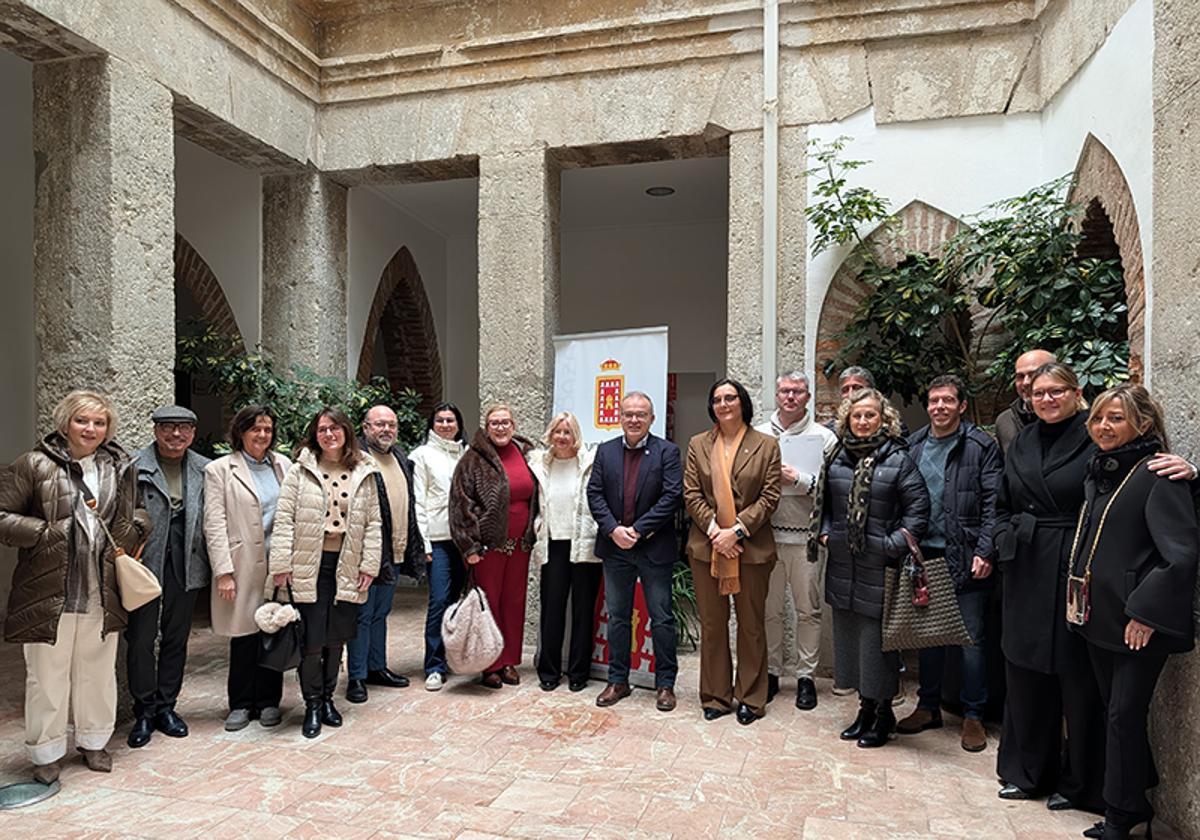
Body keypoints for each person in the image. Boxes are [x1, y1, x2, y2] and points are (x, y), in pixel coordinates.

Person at [1070, 385, 1198, 840]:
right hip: (1100, 617)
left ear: (1142, 424)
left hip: (1137, 622)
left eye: (1116, 419)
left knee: (1124, 715)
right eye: (1099, 418)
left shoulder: (1158, 473)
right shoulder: (1103, 470)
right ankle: (1134, 799)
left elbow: (1179, 554)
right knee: (1116, 713)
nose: (1105, 427)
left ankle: (1123, 818)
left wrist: (1145, 612)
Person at [0, 390, 146, 783]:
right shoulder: (34, 464)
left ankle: (94, 742)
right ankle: (45, 752)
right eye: (83, 420)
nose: (91, 429)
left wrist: (137, 527)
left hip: (102, 588)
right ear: (65, 422)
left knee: (97, 672)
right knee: (46, 676)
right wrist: (45, 532)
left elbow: (132, 513)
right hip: (50, 590)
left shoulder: (118, 467)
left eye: (99, 423)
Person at [993, 362, 1107, 810]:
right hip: (1025, 564)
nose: (1046, 399)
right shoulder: (1020, 440)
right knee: (1023, 670)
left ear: (1076, 393)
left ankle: (1081, 782)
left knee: (1077, 678)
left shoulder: (1094, 435)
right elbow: (1001, 500)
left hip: (1075, 566)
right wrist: (1003, 537)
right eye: (1038, 393)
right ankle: (1027, 772)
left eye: (1056, 391)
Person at [896, 375, 1001, 752]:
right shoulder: (914, 445)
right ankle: (928, 706)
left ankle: (973, 715)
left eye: (947, 400)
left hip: (967, 552)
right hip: (924, 555)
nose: (940, 407)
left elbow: (993, 503)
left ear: (961, 405)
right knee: (928, 635)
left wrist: (986, 550)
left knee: (971, 638)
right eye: (933, 400)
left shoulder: (979, 445)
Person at [819, 387, 929, 748]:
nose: (863, 422)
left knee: (877, 645)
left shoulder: (899, 459)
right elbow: (825, 506)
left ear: (885, 420)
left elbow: (919, 512)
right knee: (851, 640)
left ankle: (884, 714)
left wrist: (889, 545)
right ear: (847, 419)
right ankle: (864, 709)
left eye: (871, 415)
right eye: (857, 415)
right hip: (842, 564)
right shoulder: (836, 456)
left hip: (881, 568)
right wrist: (824, 534)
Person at [270, 407, 381, 738]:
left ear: (346, 432)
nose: (329, 434)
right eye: (322, 430)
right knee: (311, 640)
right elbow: (284, 517)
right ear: (314, 435)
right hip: (309, 564)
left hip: (346, 565)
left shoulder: (364, 469)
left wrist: (369, 564)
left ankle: (329, 698)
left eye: (335, 428)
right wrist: (281, 565)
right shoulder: (300, 470)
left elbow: (374, 522)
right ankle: (312, 705)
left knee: (337, 639)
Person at [683, 379, 782, 725]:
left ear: (742, 403)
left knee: (751, 625)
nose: (724, 404)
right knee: (712, 624)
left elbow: (770, 498)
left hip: (750, 547)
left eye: (730, 398)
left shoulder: (766, 445)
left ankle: (751, 698)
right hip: (706, 547)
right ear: (712, 406)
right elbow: (691, 492)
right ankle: (715, 695)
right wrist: (716, 533)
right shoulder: (698, 444)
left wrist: (736, 530)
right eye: (718, 399)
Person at [586, 392, 682, 712]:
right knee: (617, 618)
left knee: (662, 618)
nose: (634, 419)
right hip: (616, 549)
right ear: (620, 417)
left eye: (641, 414)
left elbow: (672, 497)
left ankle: (665, 684)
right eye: (628, 413)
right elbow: (595, 493)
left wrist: (638, 530)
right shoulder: (606, 451)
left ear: (652, 419)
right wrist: (614, 529)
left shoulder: (667, 451)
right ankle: (618, 680)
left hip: (653, 547)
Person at [126, 405, 210, 749]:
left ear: (192, 432)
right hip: (146, 562)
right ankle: (143, 709)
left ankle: (167, 707)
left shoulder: (205, 468)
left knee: (177, 637)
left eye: (183, 429)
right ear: (155, 430)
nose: (176, 435)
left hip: (186, 562)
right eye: (168, 428)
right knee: (142, 638)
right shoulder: (133, 466)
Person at [203, 405, 291, 731]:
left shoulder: (283, 465)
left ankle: (269, 701)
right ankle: (240, 703)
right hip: (240, 566)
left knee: (273, 632)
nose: (262, 435)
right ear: (241, 432)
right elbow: (214, 523)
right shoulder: (219, 470)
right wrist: (223, 572)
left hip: (277, 565)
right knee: (243, 636)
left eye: (268, 429)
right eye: (255, 429)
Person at [754, 370, 836, 710]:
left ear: (808, 397)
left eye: (798, 392)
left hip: (807, 538)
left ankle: (806, 677)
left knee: (808, 611)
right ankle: (772, 672)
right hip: (766, 537)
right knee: (769, 611)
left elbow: (835, 488)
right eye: (785, 391)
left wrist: (799, 478)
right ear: (776, 395)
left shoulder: (824, 437)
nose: (790, 397)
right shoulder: (757, 434)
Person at [449, 404, 538, 689]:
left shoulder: (525, 453)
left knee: (514, 603)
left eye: (505, 422)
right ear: (486, 427)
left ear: (514, 425)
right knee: (489, 604)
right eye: (494, 423)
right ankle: (490, 664)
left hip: (520, 545)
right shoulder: (472, 459)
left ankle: (509, 660)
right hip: (487, 548)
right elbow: (460, 504)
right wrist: (469, 546)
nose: (501, 427)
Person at [345, 405, 423, 704]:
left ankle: (376, 667)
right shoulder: (357, 460)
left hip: (395, 550)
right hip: (368, 552)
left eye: (391, 424)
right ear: (365, 428)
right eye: (379, 424)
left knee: (380, 613)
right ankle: (356, 676)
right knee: (362, 616)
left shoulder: (400, 456)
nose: (386, 429)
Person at [528, 411, 602, 692]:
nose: (562, 437)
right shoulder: (538, 464)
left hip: (583, 543)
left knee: (583, 612)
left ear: (576, 436)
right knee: (552, 610)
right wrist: (537, 527)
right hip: (552, 544)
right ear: (550, 434)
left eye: (567, 432)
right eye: (558, 431)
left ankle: (579, 673)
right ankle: (549, 670)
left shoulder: (590, 463)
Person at [410, 402, 468, 691]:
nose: (446, 424)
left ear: (459, 424)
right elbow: (418, 501)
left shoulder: (467, 455)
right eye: (440, 420)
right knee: (439, 601)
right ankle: (434, 665)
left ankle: (454, 657)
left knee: (460, 602)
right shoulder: (421, 456)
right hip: (439, 540)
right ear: (431, 424)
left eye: (451, 420)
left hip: (465, 541)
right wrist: (425, 543)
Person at [994, 349, 1056, 454]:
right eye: (1020, 377)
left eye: (1033, 374)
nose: (1026, 382)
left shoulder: (1080, 420)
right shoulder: (1005, 422)